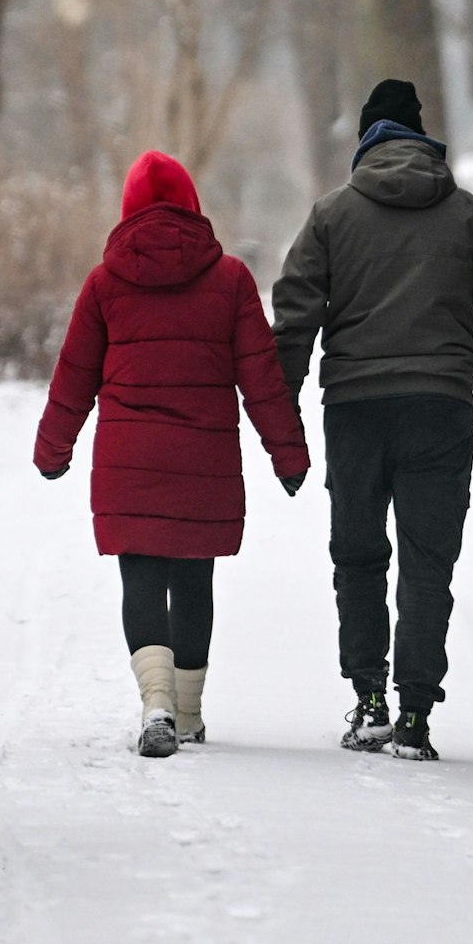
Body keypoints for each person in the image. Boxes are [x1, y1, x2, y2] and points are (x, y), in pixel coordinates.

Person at [272, 80, 473, 761]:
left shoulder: (331, 216)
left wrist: (284, 411)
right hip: (439, 407)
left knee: (358, 555)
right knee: (428, 561)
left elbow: (295, 316)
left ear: (365, 139)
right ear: (423, 138)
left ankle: (368, 699)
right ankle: (415, 713)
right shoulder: (469, 217)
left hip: (355, 409)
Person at [35, 150, 310, 758]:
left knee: (140, 575)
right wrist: (287, 455)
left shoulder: (105, 283)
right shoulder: (231, 278)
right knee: (193, 580)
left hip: (128, 463)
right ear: (192, 206)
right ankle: (187, 713)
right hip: (203, 462)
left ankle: (155, 702)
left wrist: (53, 448)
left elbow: (73, 375)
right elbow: (261, 377)